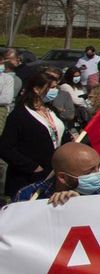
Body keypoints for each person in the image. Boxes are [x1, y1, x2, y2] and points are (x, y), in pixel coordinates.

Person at [1, 70, 66, 200]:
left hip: (52, 175)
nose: (55, 91)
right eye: (52, 88)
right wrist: (33, 167)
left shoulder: (52, 111)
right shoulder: (20, 115)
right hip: (28, 178)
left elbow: (58, 133)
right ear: (37, 89)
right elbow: (5, 148)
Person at [10, 141, 100, 205]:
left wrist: (80, 205)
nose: (98, 174)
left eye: (99, 167)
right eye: (89, 172)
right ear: (62, 177)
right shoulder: (28, 197)